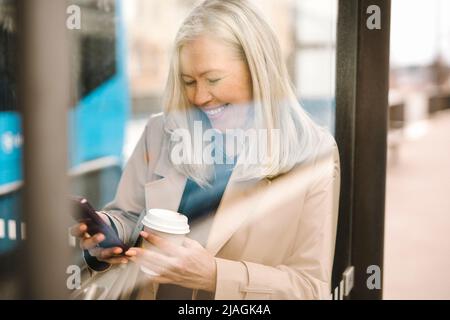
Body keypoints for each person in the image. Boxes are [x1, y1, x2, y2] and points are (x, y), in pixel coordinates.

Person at [71, 0, 340, 300]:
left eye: (213, 79)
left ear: (258, 69)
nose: (199, 96)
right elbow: (130, 216)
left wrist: (213, 275)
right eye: (188, 81)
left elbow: (310, 289)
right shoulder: (161, 132)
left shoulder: (313, 152)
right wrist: (107, 233)